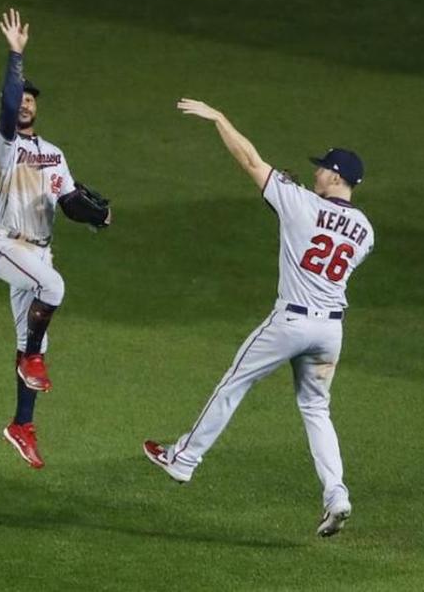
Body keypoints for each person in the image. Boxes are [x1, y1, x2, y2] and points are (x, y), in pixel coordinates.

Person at [143, 98, 375, 538]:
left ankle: (183, 459)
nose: (316, 172)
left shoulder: (301, 204)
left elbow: (250, 160)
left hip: (291, 322)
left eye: (323, 168)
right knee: (316, 409)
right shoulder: (365, 229)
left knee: (234, 382)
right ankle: (336, 494)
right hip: (331, 331)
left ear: (337, 176)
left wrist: (220, 119)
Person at [0, 9, 111, 469]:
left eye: (32, 99)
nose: (26, 102)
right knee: (53, 288)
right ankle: (30, 360)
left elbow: (70, 200)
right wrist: (16, 55)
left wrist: (98, 215)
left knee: (33, 335)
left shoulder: (54, 153)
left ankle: (21, 425)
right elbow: (7, 103)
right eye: (21, 97)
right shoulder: (2, 142)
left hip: (37, 251)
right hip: (4, 245)